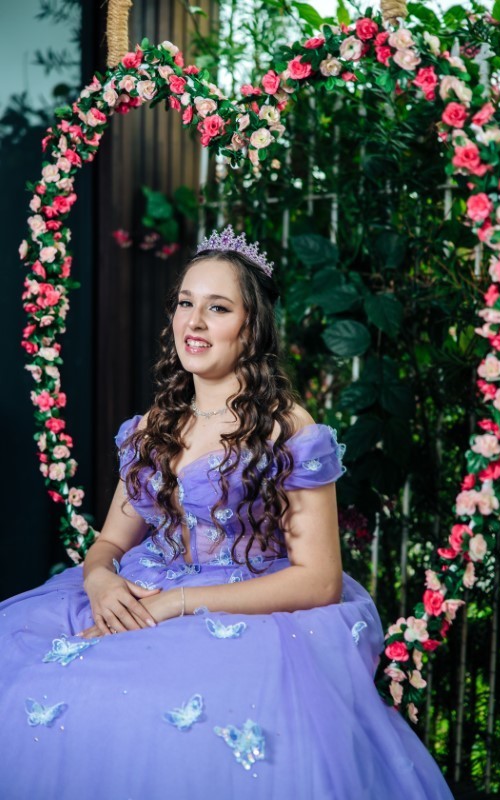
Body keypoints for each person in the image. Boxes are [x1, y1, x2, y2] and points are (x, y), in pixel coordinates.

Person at [0, 226, 454, 799]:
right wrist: (98, 580)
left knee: (162, 712)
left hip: (247, 611)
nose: (194, 322)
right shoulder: (151, 427)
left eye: (217, 307)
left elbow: (319, 580)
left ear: (251, 326)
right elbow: (111, 543)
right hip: (143, 587)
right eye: (185, 303)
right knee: (30, 680)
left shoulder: (288, 428)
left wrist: (177, 604)